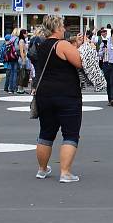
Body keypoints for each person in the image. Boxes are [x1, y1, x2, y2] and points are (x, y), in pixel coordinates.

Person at [34, 15, 83, 183]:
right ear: (57, 28)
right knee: (70, 133)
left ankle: (42, 169)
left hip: (44, 94)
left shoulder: (40, 45)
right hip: (66, 93)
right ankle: (65, 172)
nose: (64, 29)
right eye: (62, 26)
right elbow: (79, 62)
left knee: (46, 132)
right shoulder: (62, 44)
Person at [98, 27, 113, 106]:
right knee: (108, 82)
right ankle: (109, 99)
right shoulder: (105, 42)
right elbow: (99, 54)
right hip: (106, 64)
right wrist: (103, 52)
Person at [16, 29, 31, 94]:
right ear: (23, 34)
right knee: (23, 74)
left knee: (23, 73)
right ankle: (20, 88)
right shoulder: (21, 41)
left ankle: (21, 88)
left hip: (23, 58)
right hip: (23, 58)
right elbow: (22, 51)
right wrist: (24, 60)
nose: (27, 35)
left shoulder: (22, 40)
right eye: (26, 33)